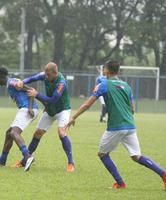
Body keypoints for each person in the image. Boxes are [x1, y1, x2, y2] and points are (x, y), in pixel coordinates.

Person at [65, 60, 166, 189]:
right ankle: (163, 174)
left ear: (107, 70)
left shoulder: (104, 84)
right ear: (117, 71)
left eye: (104, 68)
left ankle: (120, 183)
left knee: (103, 154)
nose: (103, 70)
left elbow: (88, 104)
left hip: (116, 127)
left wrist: (73, 117)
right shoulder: (127, 86)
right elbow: (132, 109)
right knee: (136, 156)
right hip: (130, 126)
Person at [15, 62, 75, 172]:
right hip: (50, 110)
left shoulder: (61, 83)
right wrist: (22, 82)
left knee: (61, 133)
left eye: (48, 74)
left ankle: (71, 163)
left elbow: (53, 100)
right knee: (37, 133)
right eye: (45, 74)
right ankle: (25, 160)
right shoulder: (46, 75)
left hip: (63, 110)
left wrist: (36, 95)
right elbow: (34, 78)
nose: (45, 76)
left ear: (55, 73)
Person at [0, 67, 38, 172]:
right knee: (8, 133)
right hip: (25, 109)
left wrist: (29, 108)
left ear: (0, 76)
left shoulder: (11, 82)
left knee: (14, 132)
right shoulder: (10, 83)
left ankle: (27, 156)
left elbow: (30, 90)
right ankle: (2, 161)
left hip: (27, 109)